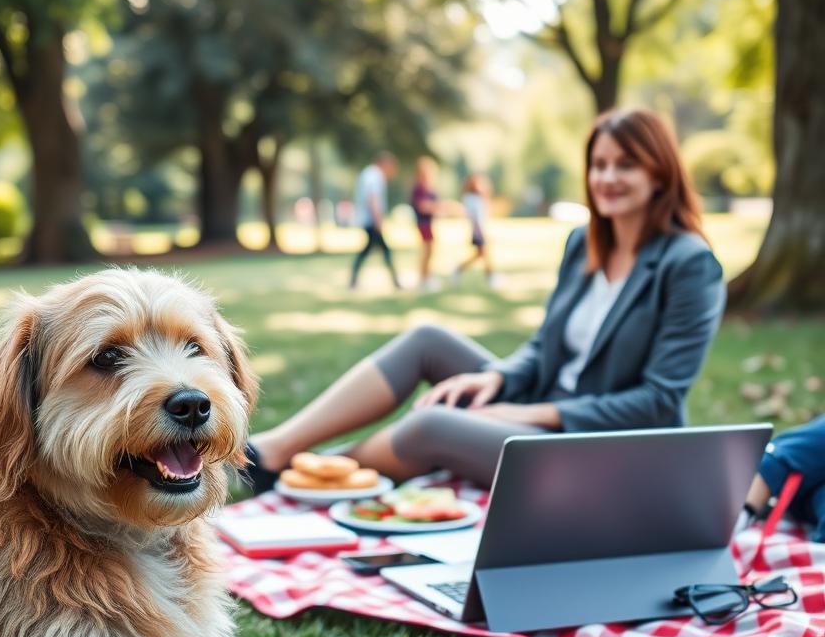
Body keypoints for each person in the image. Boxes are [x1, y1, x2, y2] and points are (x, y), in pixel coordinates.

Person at [246, 108, 725, 492]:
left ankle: (311, 476)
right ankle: (273, 449)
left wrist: (528, 414)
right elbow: (543, 348)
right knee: (428, 339)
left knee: (432, 424)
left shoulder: (689, 264)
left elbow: (659, 402)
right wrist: (496, 378)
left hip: (600, 449)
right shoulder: (584, 243)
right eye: (599, 164)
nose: (607, 177)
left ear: (660, 174)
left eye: (625, 164)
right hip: (541, 406)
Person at [349, 151, 401, 290]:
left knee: (369, 250)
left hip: (369, 219)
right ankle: (396, 281)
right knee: (384, 250)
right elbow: (373, 198)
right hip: (371, 219)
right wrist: (378, 220)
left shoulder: (369, 174)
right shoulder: (374, 175)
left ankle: (353, 280)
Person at [452, 173, 500, 287]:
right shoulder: (472, 199)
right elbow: (476, 218)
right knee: (485, 254)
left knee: (480, 254)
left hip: (479, 230)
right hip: (478, 231)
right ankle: (491, 278)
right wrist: (482, 232)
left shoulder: (476, 198)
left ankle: (459, 269)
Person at [411, 156, 441, 290]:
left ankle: (426, 277)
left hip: (429, 222)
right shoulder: (419, 188)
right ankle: (423, 279)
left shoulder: (429, 188)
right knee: (427, 251)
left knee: (430, 251)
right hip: (423, 223)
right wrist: (435, 207)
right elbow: (422, 206)